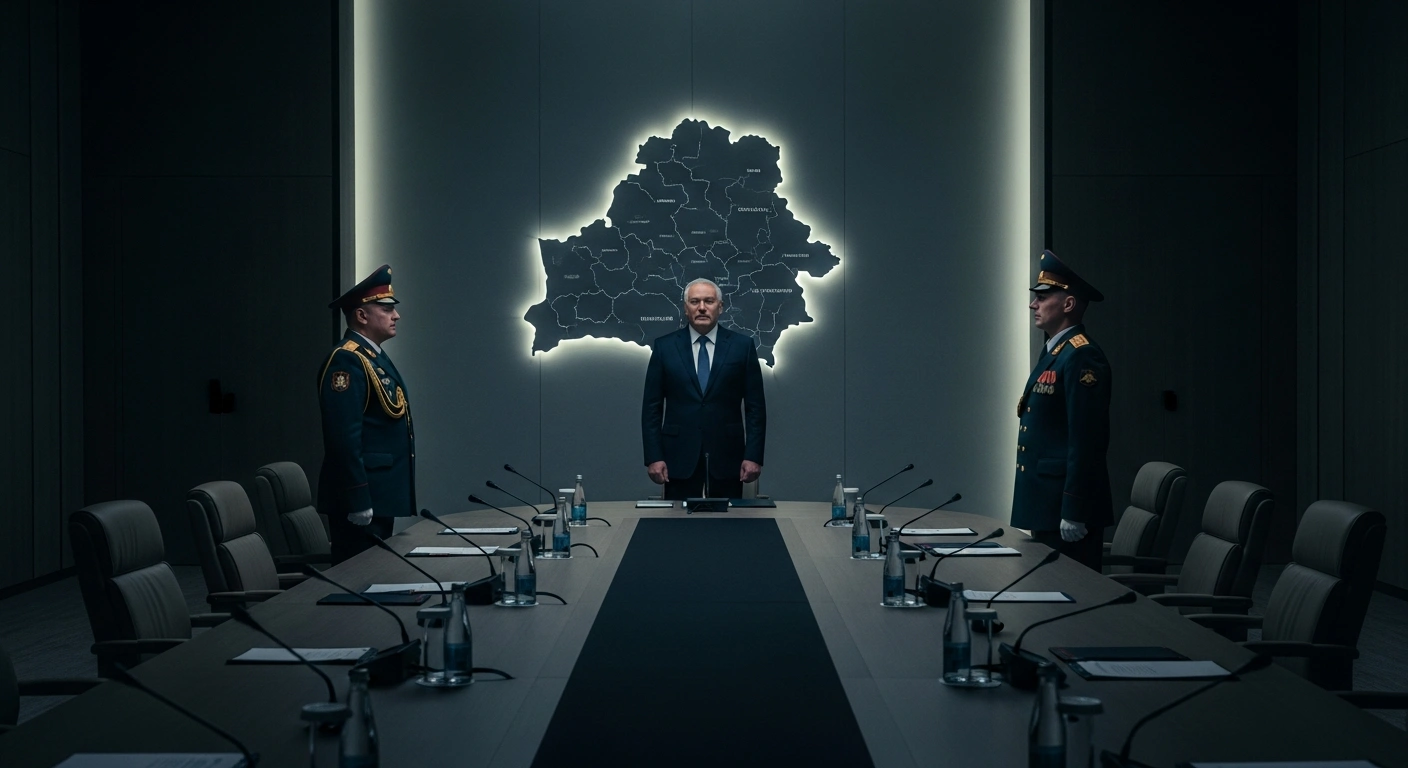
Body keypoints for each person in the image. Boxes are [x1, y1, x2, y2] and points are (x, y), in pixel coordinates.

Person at [1011, 250, 1113, 570]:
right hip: (1045, 504)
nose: (1033, 304)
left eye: (1042, 297)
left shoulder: (1081, 357)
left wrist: (1075, 508)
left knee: (1070, 602)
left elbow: (1087, 440)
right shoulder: (1054, 352)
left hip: (1065, 510)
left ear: (1068, 304)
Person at [318, 264, 416, 564]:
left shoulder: (372, 356)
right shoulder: (346, 360)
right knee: (360, 586)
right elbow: (344, 437)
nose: (395, 315)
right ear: (362, 315)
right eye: (386, 309)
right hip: (361, 501)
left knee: (376, 579)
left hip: (379, 497)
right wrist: (357, 498)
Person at [641, 278, 767, 500]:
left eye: (709, 301)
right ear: (685, 308)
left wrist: (754, 456)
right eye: (694, 301)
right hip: (677, 456)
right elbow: (651, 408)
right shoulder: (664, 347)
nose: (701, 307)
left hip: (728, 456)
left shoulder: (742, 346)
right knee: (676, 529)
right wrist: (654, 456)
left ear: (720, 306)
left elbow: (755, 408)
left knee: (728, 528)